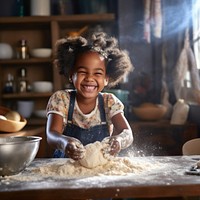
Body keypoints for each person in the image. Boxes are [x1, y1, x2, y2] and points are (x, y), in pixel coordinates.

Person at [46, 32, 134, 160]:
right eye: (82, 72)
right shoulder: (61, 99)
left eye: (97, 73)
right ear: (71, 75)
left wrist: (119, 140)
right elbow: (52, 135)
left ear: (106, 79)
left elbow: (127, 133)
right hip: (65, 166)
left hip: (99, 167)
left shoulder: (109, 102)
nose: (89, 78)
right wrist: (64, 143)